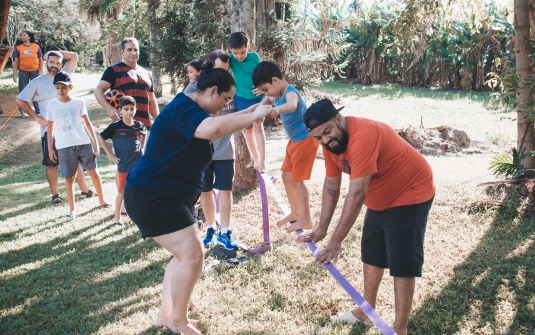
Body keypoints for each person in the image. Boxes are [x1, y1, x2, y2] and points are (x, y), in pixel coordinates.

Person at [123, 62, 274, 335]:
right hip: (153, 196)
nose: (225, 106)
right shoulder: (184, 109)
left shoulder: (193, 109)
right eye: (225, 99)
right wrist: (254, 115)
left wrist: (254, 108)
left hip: (165, 196)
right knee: (192, 255)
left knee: (183, 255)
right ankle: (178, 322)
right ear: (212, 90)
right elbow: (214, 129)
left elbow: (221, 122)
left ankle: (166, 316)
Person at [296, 99, 435, 335]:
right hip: (379, 197)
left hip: (410, 191)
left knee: (401, 262)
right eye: (318, 138)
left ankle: (400, 330)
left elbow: (357, 192)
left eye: (328, 132)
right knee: (372, 252)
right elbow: (332, 184)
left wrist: (336, 240)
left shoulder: (364, 136)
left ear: (338, 119)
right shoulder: (331, 146)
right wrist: (322, 228)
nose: (326, 141)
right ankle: (366, 311)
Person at [16, 50, 95, 205]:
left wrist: (54, 52)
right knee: (51, 162)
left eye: (58, 62)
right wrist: (37, 118)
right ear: (46, 62)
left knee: (75, 160)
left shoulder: (65, 75)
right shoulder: (37, 82)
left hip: (71, 130)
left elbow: (74, 56)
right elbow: (20, 100)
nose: (55, 65)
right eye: (51, 62)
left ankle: (85, 190)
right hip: (50, 131)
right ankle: (56, 194)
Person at [252, 60, 319, 233]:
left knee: (297, 180)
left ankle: (306, 220)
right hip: (294, 142)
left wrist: (277, 110)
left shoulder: (290, 93)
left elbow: (292, 105)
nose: (267, 94)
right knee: (286, 176)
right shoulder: (276, 95)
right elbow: (267, 100)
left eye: (266, 89)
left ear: (275, 80)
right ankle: (296, 213)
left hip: (305, 140)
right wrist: (259, 110)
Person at [46, 71, 110, 218]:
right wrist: (50, 148)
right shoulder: (52, 105)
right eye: (57, 88)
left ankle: (102, 200)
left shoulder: (79, 103)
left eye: (64, 87)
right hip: (64, 146)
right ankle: (72, 209)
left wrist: (95, 142)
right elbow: (50, 128)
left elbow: (88, 124)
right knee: (69, 178)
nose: (61, 91)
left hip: (83, 143)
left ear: (71, 87)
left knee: (94, 172)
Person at [200, 50, 239, 250]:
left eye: (226, 70)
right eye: (219, 69)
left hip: (225, 152)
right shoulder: (200, 89)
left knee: (225, 191)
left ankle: (225, 231)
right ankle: (210, 228)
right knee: (205, 191)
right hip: (202, 153)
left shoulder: (233, 89)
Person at [94, 37, 159, 133]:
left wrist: (159, 122)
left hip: (146, 127)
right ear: (122, 52)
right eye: (129, 49)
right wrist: (109, 109)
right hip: (124, 127)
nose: (133, 52)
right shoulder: (113, 70)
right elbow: (98, 90)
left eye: (136, 50)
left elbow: (152, 101)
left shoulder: (147, 74)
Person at [98, 96, 147, 225]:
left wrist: (142, 147)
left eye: (132, 109)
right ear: (120, 111)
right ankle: (117, 217)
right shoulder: (115, 126)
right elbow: (101, 137)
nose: (129, 112)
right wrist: (110, 154)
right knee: (122, 191)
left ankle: (138, 213)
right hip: (124, 164)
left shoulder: (138, 125)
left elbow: (144, 132)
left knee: (140, 189)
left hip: (138, 163)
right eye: (126, 109)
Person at [228, 32, 266, 171]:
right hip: (242, 98)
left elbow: (264, 74)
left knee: (258, 126)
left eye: (242, 52)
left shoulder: (254, 57)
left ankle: (262, 160)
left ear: (248, 46)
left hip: (257, 98)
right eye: (235, 53)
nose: (239, 56)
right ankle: (255, 158)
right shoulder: (230, 59)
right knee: (247, 128)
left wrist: (263, 89)